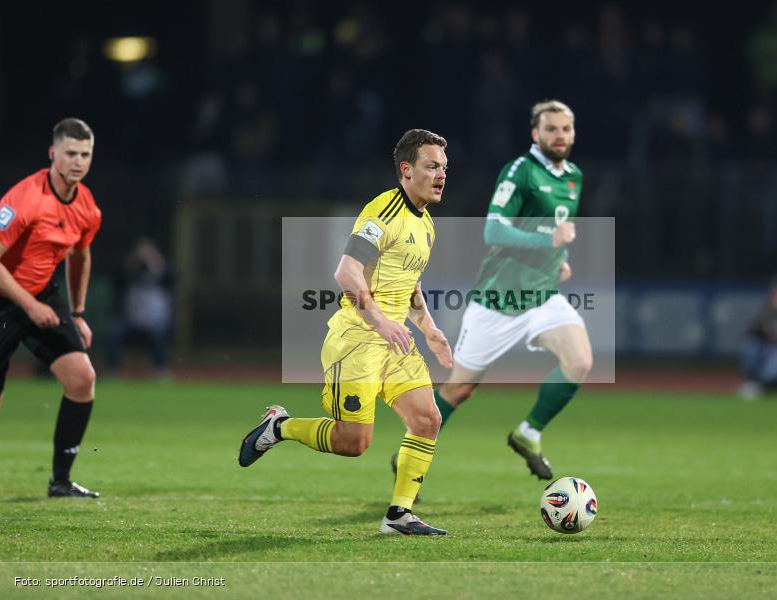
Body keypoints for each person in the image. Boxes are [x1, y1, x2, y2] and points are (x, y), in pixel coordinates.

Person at [240, 129, 453, 535]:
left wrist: (429, 328)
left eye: (444, 167)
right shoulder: (383, 212)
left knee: (427, 420)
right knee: (353, 442)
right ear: (407, 170)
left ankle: (399, 515)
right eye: (431, 166)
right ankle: (278, 427)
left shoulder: (426, 224)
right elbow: (346, 272)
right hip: (357, 339)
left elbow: (409, 285)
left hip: (395, 343)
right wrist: (381, 321)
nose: (441, 174)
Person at [402, 100, 591, 483]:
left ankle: (528, 433)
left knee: (580, 361)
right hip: (498, 301)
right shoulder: (521, 171)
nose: (559, 136)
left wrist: (561, 257)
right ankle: (407, 459)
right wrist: (548, 241)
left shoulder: (573, 176)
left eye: (565, 129)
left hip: (543, 296)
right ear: (535, 134)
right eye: (551, 129)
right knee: (458, 390)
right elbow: (494, 229)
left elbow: (556, 226)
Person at [0, 118, 102, 498]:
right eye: (70, 153)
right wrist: (28, 305)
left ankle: (60, 482)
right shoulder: (25, 199)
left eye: (85, 154)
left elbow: (81, 255)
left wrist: (78, 313)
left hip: (41, 295)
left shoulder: (86, 205)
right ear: (52, 153)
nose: (78, 161)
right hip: (5, 300)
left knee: (82, 379)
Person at [106, 238, 173, 379]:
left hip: (154, 322)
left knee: (159, 334)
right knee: (114, 333)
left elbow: (170, 277)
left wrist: (154, 259)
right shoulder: (130, 274)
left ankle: (161, 370)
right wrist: (133, 260)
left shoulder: (160, 274)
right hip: (132, 321)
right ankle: (113, 371)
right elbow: (118, 278)